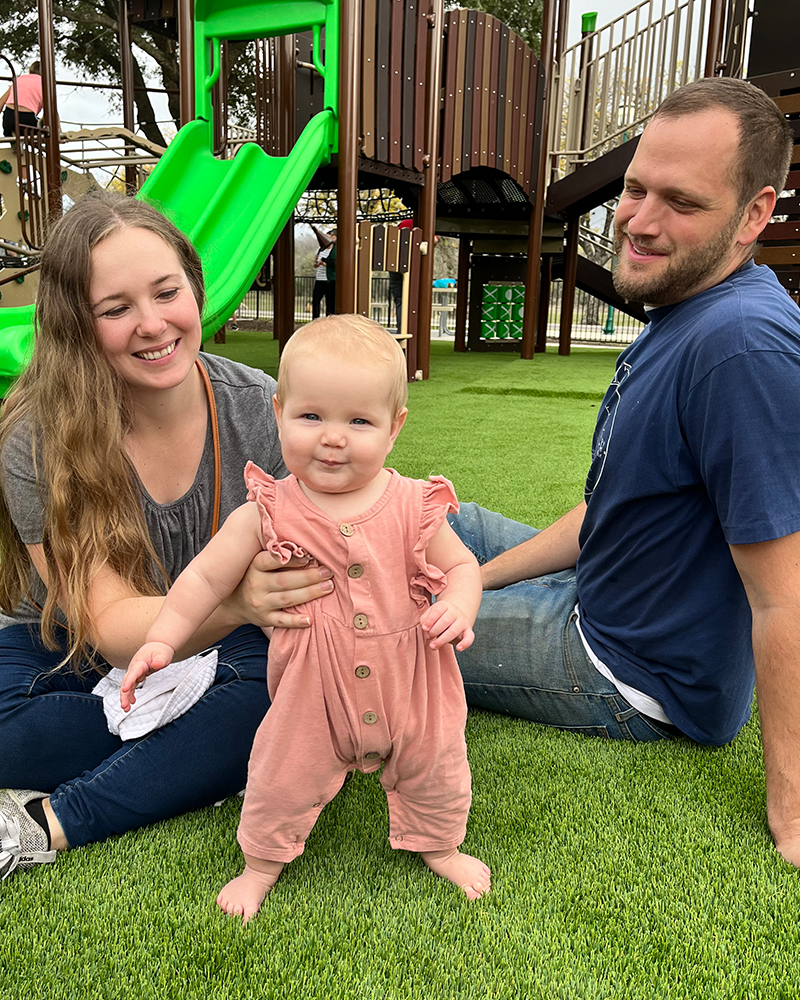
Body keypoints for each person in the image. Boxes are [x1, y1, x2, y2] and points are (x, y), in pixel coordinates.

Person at [448, 77, 800, 866]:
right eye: (636, 188)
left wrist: (795, 814)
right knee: (428, 513)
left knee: (372, 614)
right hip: (602, 587)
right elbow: (606, 508)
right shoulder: (687, 306)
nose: (638, 221)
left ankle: (153, 643)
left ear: (754, 213)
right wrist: (483, 576)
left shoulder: (741, 346)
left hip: (631, 669)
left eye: (680, 201)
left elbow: (786, 596)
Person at [0, 190, 334, 879]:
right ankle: (199, 754)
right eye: (116, 309)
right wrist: (240, 601)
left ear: (194, 285)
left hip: (229, 653)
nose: (152, 324)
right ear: (76, 326)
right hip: (72, 648)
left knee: (290, 685)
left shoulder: (261, 410)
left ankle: (49, 823)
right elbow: (110, 619)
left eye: (165, 292)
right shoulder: (36, 433)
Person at [120, 315, 490, 920]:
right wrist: (164, 637)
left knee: (438, 766)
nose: (333, 438)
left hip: (416, 679)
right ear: (279, 412)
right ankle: (261, 863)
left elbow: (464, 566)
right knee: (281, 775)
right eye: (312, 416)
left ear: (395, 428)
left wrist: (457, 603)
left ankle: (440, 844)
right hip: (310, 688)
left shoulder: (412, 503)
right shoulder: (267, 511)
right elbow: (206, 577)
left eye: (359, 421)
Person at [1, 63, 43, 137]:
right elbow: (52, 111)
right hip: (27, 119)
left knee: (12, 132)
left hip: (9, 117)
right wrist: (58, 131)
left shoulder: (18, 79)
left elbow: (1, 103)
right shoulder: (44, 83)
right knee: (45, 133)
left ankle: (15, 145)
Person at [311, 226, 336, 318]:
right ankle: (315, 319)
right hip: (319, 278)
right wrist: (317, 264)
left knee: (329, 301)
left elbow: (332, 264)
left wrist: (324, 263)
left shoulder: (333, 250)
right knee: (316, 300)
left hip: (328, 279)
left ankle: (328, 319)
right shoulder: (319, 250)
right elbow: (314, 263)